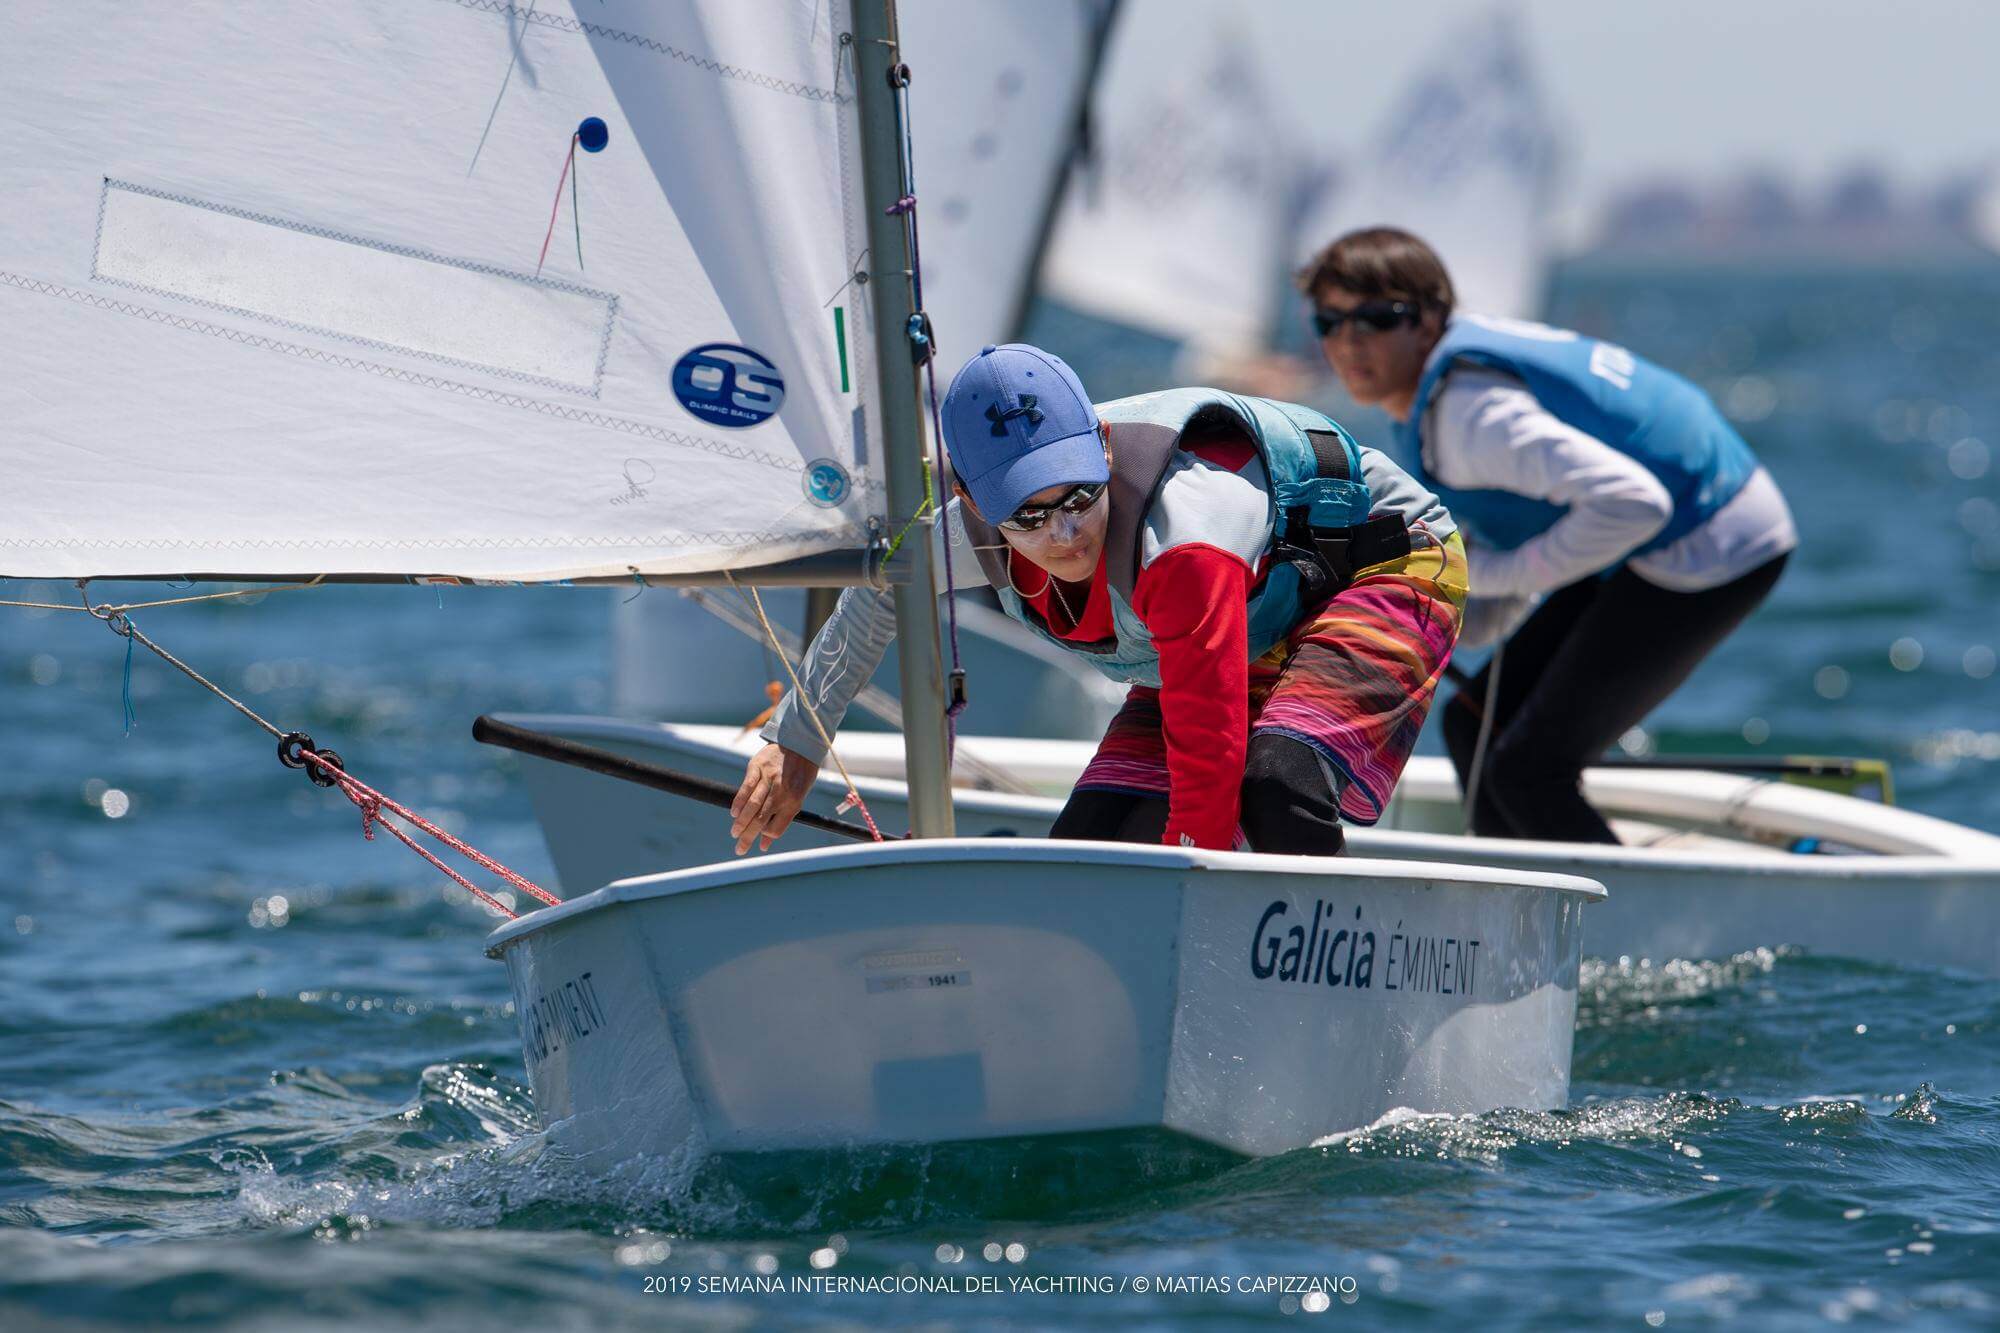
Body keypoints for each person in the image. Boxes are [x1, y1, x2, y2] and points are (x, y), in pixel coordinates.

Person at [728, 343, 1467, 857]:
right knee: (1093, 843)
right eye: (1029, 515)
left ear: (1105, 447)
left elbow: (1207, 769)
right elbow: (876, 599)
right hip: (1238, 624)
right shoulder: (961, 534)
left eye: (1080, 493)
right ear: (972, 501)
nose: (1066, 531)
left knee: (1277, 784)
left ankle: (1320, 992)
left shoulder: (1187, 536)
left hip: (1387, 564)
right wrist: (798, 740)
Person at [1298, 226, 1797, 843]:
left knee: (1530, 770)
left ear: (1428, 320)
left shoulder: (1471, 415)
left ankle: (1610, 914)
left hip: (1715, 540)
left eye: (1375, 318)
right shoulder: (1445, 394)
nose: (1349, 342)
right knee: (1473, 723)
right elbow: (1518, 574)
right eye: (1330, 322)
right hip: (1646, 543)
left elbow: (1635, 503)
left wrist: (1490, 576)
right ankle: (1511, 903)